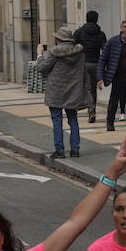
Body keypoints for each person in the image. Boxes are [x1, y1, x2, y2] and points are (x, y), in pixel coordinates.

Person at [37, 28, 90, 159]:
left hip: (56, 90)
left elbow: (41, 67)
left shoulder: (54, 53)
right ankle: (75, 149)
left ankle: (59, 150)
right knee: (73, 119)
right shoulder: (79, 53)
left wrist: (39, 55)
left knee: (57, 121)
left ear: (58, 39)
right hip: (73, 91)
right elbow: (84, 72)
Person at [71, 10, 106, 122]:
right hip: (96, 63)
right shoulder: (101, 34)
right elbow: (105, 50)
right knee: (92, 89)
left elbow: (72, 46)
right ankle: (92, 110)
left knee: (83, 87)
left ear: (86, 19)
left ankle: (78, 107)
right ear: (97, 19)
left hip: (82, 63)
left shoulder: (79, 32)